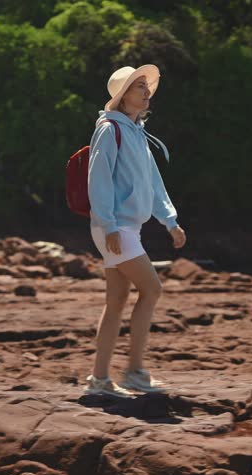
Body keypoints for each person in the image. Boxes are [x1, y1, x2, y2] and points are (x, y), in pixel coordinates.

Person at [83, 64, 187, 398]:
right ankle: (134, 372)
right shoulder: (109, 128)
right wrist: (110, 224)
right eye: (138, 86)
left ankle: (100, 380)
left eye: (146, 86)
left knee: (116, 301)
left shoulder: (136, 132)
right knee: (152, 289)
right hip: (114, 227)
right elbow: (97, 178)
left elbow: (153, 183)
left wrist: (169, 220)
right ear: (123, 94)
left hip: (127, 228)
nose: (146, 91)